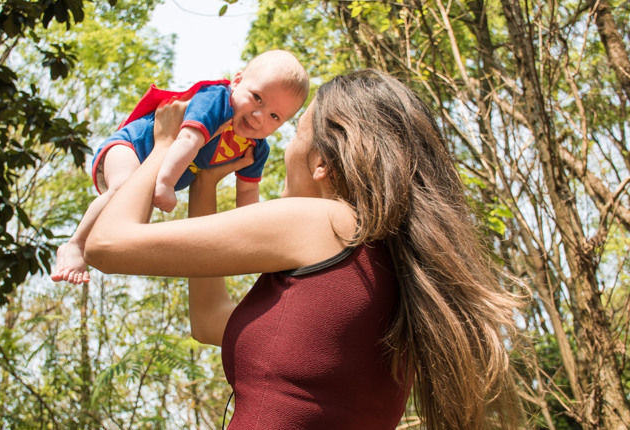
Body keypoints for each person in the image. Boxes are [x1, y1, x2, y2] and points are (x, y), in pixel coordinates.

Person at [84, 69, 523, 429]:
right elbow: (209, 320)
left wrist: (164, 145)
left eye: (294, 132)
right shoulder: (391, 270)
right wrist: (206, 181)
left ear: (321, 163)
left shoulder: (327, 223)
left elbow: (107, 245)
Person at [51, 49, 310, 284]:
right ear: (237, 81)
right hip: (133, 146)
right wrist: (165, 183)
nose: (259, 116)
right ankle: (75, 244)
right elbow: (187, 139)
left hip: (155, 172)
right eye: (257, 98)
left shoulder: (255, 148)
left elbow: (248, 195)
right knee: (122, 188)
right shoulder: (217, 101)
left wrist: (256, 236)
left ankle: (97, 248)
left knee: (132, 225)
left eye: (274, 116)